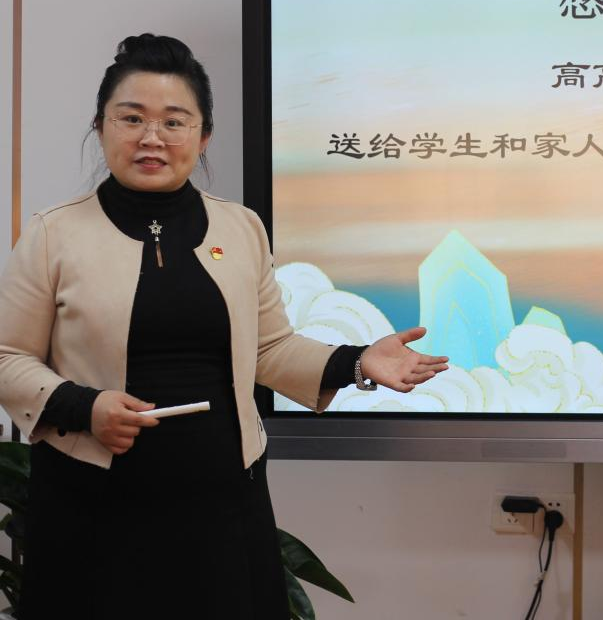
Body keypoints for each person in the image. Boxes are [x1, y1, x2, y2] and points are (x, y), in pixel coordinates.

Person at [0, 34, 449, 618]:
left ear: (203, 135)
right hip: (91, 504)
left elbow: (269, 348)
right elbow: (7, 357)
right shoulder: (53, 233)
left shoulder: (240, 229)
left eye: (174, 122)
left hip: (222, 505)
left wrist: (356, 361)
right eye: (131, 118)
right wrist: (86, 408)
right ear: (101, 126)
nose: (152, 137)